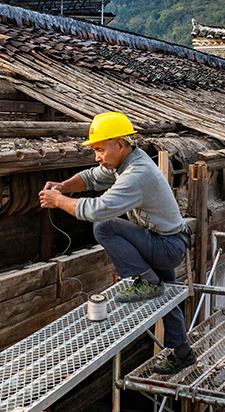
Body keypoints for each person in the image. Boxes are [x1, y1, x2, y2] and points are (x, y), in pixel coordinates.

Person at [38, 112, 196, 375]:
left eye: (100, 149)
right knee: (167, 297)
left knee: (104, 226)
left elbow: (99, 209)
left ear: (119, 145)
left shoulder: (137, 173)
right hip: (167, 242)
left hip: (167, 247)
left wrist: (57, 201)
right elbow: (91, 177)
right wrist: (64, 187)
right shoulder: (126, 161)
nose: (96, 156)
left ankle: (148, 280)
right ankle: (182, 352)